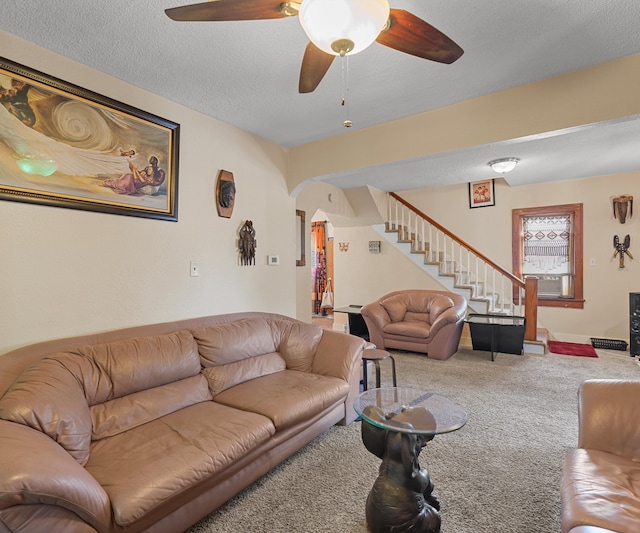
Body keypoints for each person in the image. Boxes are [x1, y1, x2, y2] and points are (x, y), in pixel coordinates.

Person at [99, 155, 165, 195]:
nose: (147, 170)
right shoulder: (146, 172)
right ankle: (107, 183)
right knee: (122, 181)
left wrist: (135, 170)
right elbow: (137, 175)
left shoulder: (154, 176)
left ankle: (106, 183)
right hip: (132, 180)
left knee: (123, 183)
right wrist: (133, 167)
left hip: (134, 184)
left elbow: (139, 179)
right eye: (148, 169)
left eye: (149, 169)